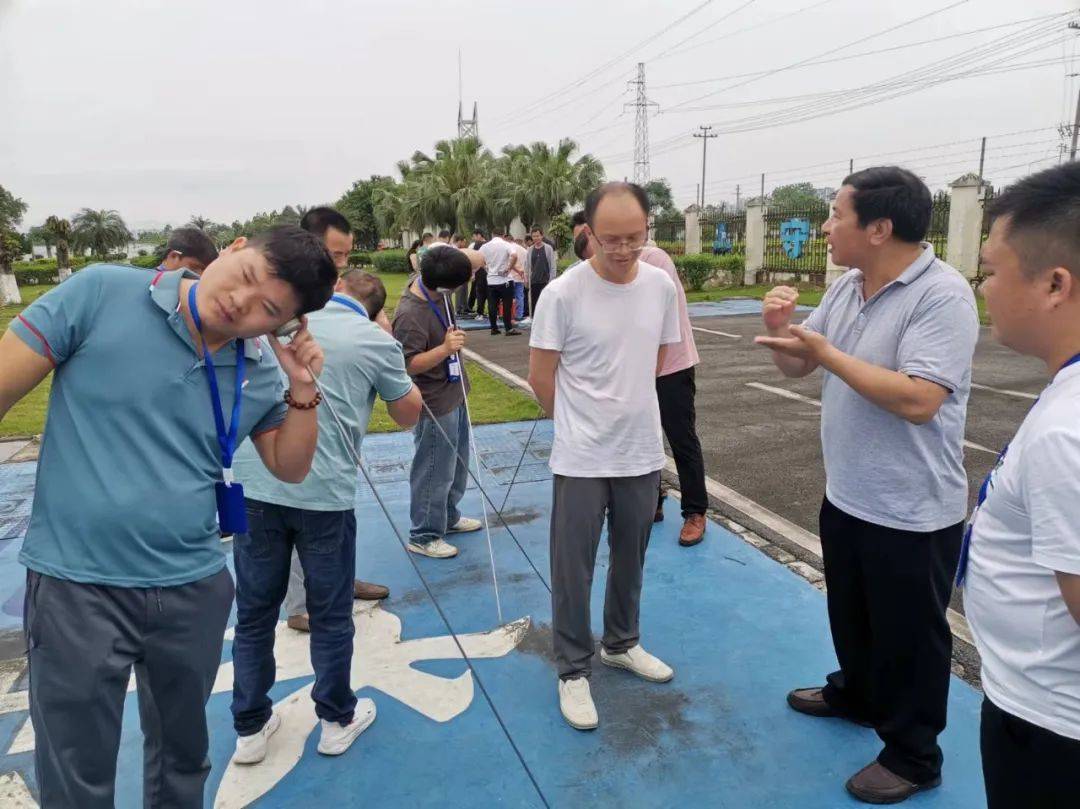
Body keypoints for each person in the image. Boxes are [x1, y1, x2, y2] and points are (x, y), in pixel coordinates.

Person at [0, 224, 336, 808]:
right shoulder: (100, 294)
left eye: (268, 309)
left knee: (183, 760)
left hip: (192, 587)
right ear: (233, 249)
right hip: (78, 583)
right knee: (76, 771)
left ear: (285, 324)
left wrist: (302, 385)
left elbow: (289, 466)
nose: (241, 302)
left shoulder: (257, 370)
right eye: (248, 276)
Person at [755, 166, 979, 804]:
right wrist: (784, 332)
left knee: (911, 634)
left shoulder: (943, 295)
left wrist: (824, 353)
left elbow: (919, 400)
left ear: (879, 228)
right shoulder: (851, 285)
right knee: (850, 612)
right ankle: (857, 694)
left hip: (912, 508)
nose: (826, 227)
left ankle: (913, 755)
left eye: (835, 215)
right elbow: (800, 367)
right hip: (849, 492)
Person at [230, 236, 422, 761]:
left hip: (254, 483)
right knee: (332, 613)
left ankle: (249, 727)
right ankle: (336, 718)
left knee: (253, 613)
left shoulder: (269, 323)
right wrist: (388, 350)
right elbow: (409, 413)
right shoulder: (372, 337)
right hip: (324, 494)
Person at [528, 182, 681, 731]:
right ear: (587, 232)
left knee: (632, 557)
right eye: (610, 238)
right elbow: (541, 379)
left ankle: (621, 642)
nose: (622, 249)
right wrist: (578, 424)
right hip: (582, 457)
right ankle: (572, 669)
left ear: (647, 230)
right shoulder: (563, 294)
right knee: (573, 569)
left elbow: (658, 360)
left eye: (635, 238)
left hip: (641, 451)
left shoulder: (661, 286)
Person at [960, 162, 1080, 808]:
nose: (983, 286)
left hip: (1049, 728)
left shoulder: (1068, 431)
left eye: (992, 268)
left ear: (1054, 284)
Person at [273, 208, 397, 631]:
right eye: (334, 254)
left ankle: (340, 580)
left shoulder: (323, 302)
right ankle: (301, 606)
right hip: (284, 434)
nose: (339, 265)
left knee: (335, 501)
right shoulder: (279, 302)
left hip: (332, 432)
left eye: (344, 256)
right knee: (297, 500)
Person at [569, 216, 707, 546]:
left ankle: (695, 511)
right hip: (631, 369)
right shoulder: (599, 275)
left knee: (680, 436)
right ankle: (653, 500)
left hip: (671, 365)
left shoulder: (654, 261)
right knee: (640, 435)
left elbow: (654, 320)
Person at [392, 245, 484, 559]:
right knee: (433, 469)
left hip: (454, 391)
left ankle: (447, 516)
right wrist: (445, 349)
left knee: (456, 466)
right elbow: (406, 364)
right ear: (444, 287)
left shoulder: (435, 282)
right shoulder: (409, 314)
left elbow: (465, 260)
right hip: (432, 401)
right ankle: (424, 534)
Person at [479, 228, 520, 336]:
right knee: (507, 304)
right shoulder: (506, 244)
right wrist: (509, 268)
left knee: (492, 305)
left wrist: (486, 268)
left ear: (492, 235)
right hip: (505, 279)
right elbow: (514, 256)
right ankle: (508, 328)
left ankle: (493, 328)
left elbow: (478, 258)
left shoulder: (485, 246)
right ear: (503, 235)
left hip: (491, 280)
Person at [525, 226, 557, 315]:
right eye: (534, 236)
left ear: (542, 236)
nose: (536, 238)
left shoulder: (548, 248)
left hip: (546, 281)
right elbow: (527, 266)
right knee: (535, 304)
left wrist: (552, 280)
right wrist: (527, 279)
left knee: (546, 303)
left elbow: (553, 266)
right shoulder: (530, 250)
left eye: (538, 236)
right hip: (534, 282)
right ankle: (535, 323)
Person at [508, 237, 529, 325]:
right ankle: (519, 315)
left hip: (510, 276)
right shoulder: (524, 250)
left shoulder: (509, 248)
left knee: (510, 298)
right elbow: (527, 263)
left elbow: (509, 263)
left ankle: (511, 316)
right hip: (521, 276)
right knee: (520, 296)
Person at [468, 229, 487, 318]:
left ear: (479, 235)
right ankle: (494, 312)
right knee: (489, 293)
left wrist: (472, 273)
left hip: (480, 271)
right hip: (489, 271)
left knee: (480, 292)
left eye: (474, 236)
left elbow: (474, 259)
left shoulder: (478, 245)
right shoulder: (489, 244)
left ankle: (480, 313)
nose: (474, 238)